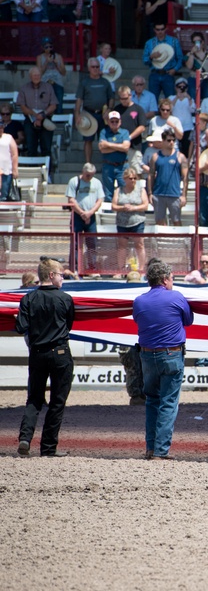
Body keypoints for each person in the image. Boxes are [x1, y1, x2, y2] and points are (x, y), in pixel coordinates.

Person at [133, 260, 193, 460]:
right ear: (165, 279)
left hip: (147, 355)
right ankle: (161, 450)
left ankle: (151, 448)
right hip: (171, 354)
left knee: (152, 401)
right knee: (168, 402)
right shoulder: (176, 297)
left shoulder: (139, 301)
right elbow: (189, 320)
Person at [15, 257, 74, 458]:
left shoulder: (27, 299)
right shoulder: (65, 298)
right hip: (59, 354)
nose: (62, 279)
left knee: (34, 399)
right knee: (57, 401)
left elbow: (20, 327)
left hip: (37, 354)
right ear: (51, 275)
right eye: (61, 275)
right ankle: (48, 447)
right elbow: (69, 325)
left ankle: (25, 438)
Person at [75, 58, 115, 166]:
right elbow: (79, 99)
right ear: (89, 68)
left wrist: (109, 110)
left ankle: (106, 163)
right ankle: (88, 163)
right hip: (88, 114)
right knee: (88, 140)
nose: (95, 69)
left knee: (104, 140)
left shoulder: (105, 82)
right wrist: (77, 114)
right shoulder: (84, 82)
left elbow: (111, 98)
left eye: (97, 67)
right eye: (93, 67)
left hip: (103, 114)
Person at [111, 169, 149, 277]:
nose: (133, 180)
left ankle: (141, 270)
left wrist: (134, 208)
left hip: (137, 221)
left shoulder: (141, 190)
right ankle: (121, 269)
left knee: (139, 244)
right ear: (125, 179)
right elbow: (113, 206)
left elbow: (145, 205)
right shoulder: (119, 190)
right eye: (130, 178)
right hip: (122, 222)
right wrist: (123, 207)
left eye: (134, 178)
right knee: (122, 245)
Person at [67, 163, 103, 273]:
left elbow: (100, 200)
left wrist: (90, 213)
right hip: (77, 216)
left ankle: (91, 267)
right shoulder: (74, 181)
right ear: (83, 172)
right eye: (88, 175)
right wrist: (82, 213)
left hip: (91, 216)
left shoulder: (97, 183)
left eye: (92, 175)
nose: (90, 177)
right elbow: (71, 200)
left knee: (92, 243)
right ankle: (75, 267)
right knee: (76, 243)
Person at [147, 129, 187, 226]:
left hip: (174, 194)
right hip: (158, 193)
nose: (171, 142)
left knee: (176, 221)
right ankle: (162, 241)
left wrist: (184, 195)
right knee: (160, 221)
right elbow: (151, 175)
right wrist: (150, 193)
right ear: (163, 141)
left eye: (173, 140)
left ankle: (179, 240)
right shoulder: (155, 156)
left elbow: (185, 178)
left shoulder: (180, 157)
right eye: (169, 140)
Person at [17, 67, 56, 158]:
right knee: (31, 148)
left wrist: (43, 115)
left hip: (46, 120)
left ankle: (47, 171)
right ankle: (32, 170)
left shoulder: (48, 87)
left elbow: (53, 105)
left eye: (38, 75)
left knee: (46, 148)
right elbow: (23, 107)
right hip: (30, 121)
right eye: (34, 75)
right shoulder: (24, 88)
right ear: (30, 76)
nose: (36, 77)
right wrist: (36, 116)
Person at [143, 23, 184, 102]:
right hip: (155, 73)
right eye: (158, 30)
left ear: (166, 29)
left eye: (162, 29)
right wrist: (151, 57)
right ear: (154, 30)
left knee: (171, 99)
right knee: (152, 100)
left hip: (168, 73)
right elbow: (145, 61)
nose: (160, 32)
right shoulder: (149, 43)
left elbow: (180, 58)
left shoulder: (174, 41)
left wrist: (175, 69)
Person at [113, 86, 147, 174]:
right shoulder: (117, 109)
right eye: (121, 98)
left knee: (136, 172)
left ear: (130, 96)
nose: (123, 100)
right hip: (119, 146)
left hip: (134, 146)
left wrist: (129, 137)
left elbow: (142, 127)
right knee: (120, 173)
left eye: (125, 98)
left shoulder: (138, 109)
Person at [98, 111, 130, 202]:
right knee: (108, 193)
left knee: (125, 190)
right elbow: (102, 148)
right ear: (108, 122)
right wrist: (119, 146)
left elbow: (126, 147)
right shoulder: (104, 132)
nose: (114, 123)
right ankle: (108, 213)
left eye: (116, 121)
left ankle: (125, 212)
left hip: (122, 166)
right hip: (108, 165)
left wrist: (108, 144)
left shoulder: (125, 132)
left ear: (120, 121)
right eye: (112, 121)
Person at [184, 31, 208, 99]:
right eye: (194, 42)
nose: (197, 44)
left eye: (198, 41)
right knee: (193, 96)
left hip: (207, 79)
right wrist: (192, 53)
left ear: (203, 42)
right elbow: (189, 66)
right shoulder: (189, 54)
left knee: (207, 97)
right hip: (194, 79)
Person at [36, 37, 66, 115]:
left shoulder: (58, 57)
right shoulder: (40, 58)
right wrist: (46, 62)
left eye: (50, 46)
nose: (49, 48)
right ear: (42, 48)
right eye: (46, 47)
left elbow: (63, 72)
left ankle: (59, 120)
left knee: (58, 104)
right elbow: (39, 73)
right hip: (45, 82)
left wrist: (56, 64)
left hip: (57, 82)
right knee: (45, 104)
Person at [0, 112, 17, 202]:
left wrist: (15, 169)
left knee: (4, 196)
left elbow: (14, 154)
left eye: (2, 127)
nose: (1, 129)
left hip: (6, 171)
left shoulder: (8, 137)